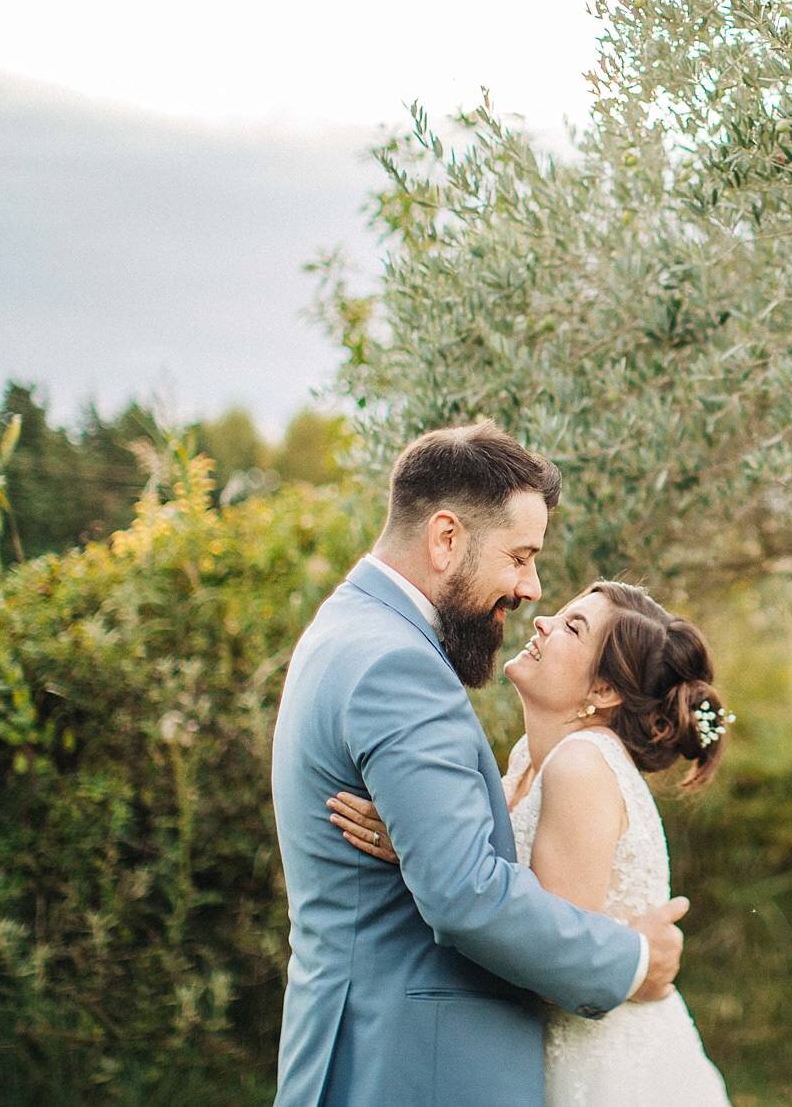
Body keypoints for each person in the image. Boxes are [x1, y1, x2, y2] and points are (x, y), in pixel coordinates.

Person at [269, 422, 689, 1107]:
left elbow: (448, 865)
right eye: (520, 555)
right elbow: (465, 894)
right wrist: (632, 957)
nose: (532, 589)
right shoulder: (399, 664)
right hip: (414, 1069)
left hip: (362, 1050)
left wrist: (421, 848)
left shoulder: (346, 628)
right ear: (445, 539)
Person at [328, 579, 735, 1106]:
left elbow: (552, 968)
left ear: (604, 691)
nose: (542, 621)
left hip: (606, 1070)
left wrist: (634, 965)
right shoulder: (531, 759)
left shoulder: (581, 764)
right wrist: (422, 839)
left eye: (573, 627)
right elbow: (492, 876)